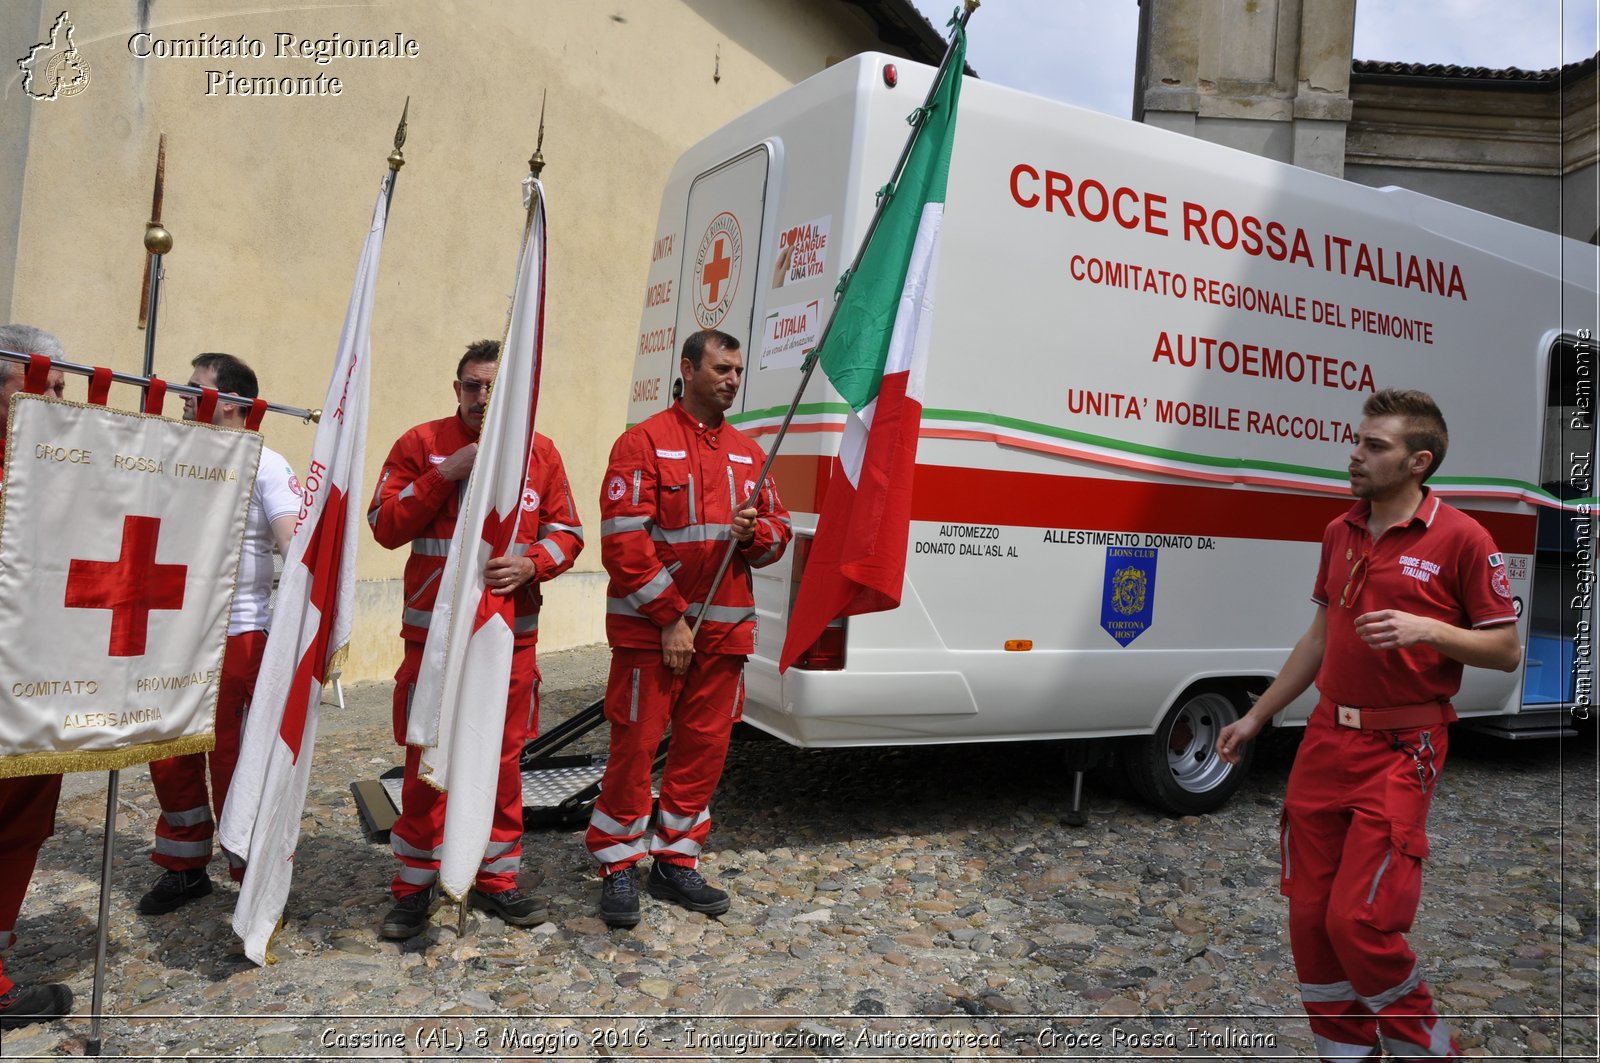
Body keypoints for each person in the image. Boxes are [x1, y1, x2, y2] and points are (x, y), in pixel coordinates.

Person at [1215, 389, 1521, 1063]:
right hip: (1327, 738)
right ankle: (1348, 1054)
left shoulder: (1463, 538)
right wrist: (1258, 714)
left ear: (1418, 461)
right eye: (1356, 440)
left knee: (1361, 920)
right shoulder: (1339, 531)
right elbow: (1319, 637)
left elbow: (1506, 648)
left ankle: (1428, 1050)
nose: (1354, 454)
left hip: (1403, 746)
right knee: (1311, 923)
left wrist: (1428, 628)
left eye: (1373, 445)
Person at [367, 339, 583, 941]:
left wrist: (534, 563)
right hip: (433, 640)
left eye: (494, 387)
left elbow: (569, 531)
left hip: (508, 640)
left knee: (502, 762)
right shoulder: (419, 444)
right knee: (423, 764)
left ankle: (495, 880)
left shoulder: (539, 453)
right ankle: (414, 886)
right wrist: (444, 474)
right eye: (471, 386)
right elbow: (384, 526)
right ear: (455, 387)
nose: (482, 398)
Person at [585, 328, 791, 927]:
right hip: (654, 633)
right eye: (721, 368)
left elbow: (779, 536)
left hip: (724, 637)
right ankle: (619, 865)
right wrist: (671, 618)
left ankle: (676, 859)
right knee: (636, 746)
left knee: (704, 749)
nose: (731, 379)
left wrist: (759, 535)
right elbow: (623, 543)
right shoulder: (643, 443)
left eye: (737, 370)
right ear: (688, 369)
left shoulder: (753, 454)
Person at [137, 354, 300, 915]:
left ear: (230, 401)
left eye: (194, 389)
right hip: (169, 633)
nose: (184, 398)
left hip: (237, 634)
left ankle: (248, 869)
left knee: (234, 756)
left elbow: (293, 546)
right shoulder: (171, 459)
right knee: (170, 752)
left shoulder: (266, 464)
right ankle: (184, 867)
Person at [0, 324, 71, 1029]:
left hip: (35, 684)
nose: (62, 396)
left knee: (21, 822)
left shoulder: (51, 462)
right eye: (48, 383)